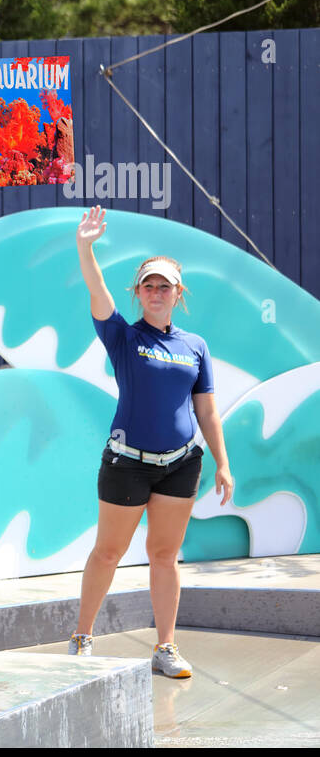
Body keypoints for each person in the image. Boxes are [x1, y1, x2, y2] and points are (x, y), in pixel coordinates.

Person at [71, 205, 232, 678]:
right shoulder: (122, 335)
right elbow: (97, 291)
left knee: (165, 555)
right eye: (149, 285)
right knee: (108, 552)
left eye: (165, 285)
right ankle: (82, 638)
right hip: (127, 463)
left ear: (177, 293)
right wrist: (86, 247)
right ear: (137, 292)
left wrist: (222, 464)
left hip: (181, 464)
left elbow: (206, 410)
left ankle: (164, 647)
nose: (156, 292)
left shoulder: (195, 346)